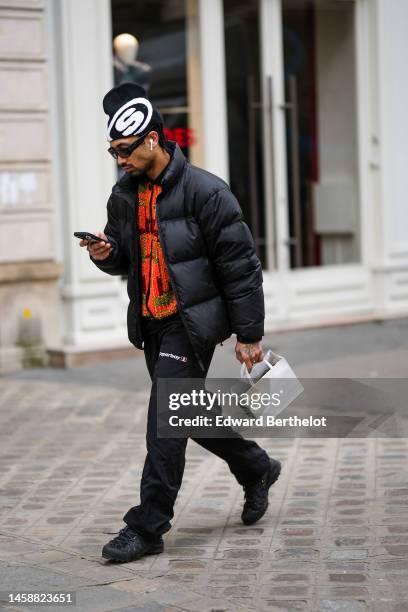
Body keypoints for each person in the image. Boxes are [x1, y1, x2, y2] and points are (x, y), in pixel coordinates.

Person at [79, 82, 281, 563]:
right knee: (187, 412)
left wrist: (249, 334)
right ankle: (257, 467)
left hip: (189, 323)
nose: (119, 160)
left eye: (125, 150)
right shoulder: (124, 194)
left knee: (164, 422)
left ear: (152, 139)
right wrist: (106, 254)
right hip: (151, 318)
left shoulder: (207, 192)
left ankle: (148, 526)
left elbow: (240, 265)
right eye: (113, 152)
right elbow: (125, 256)